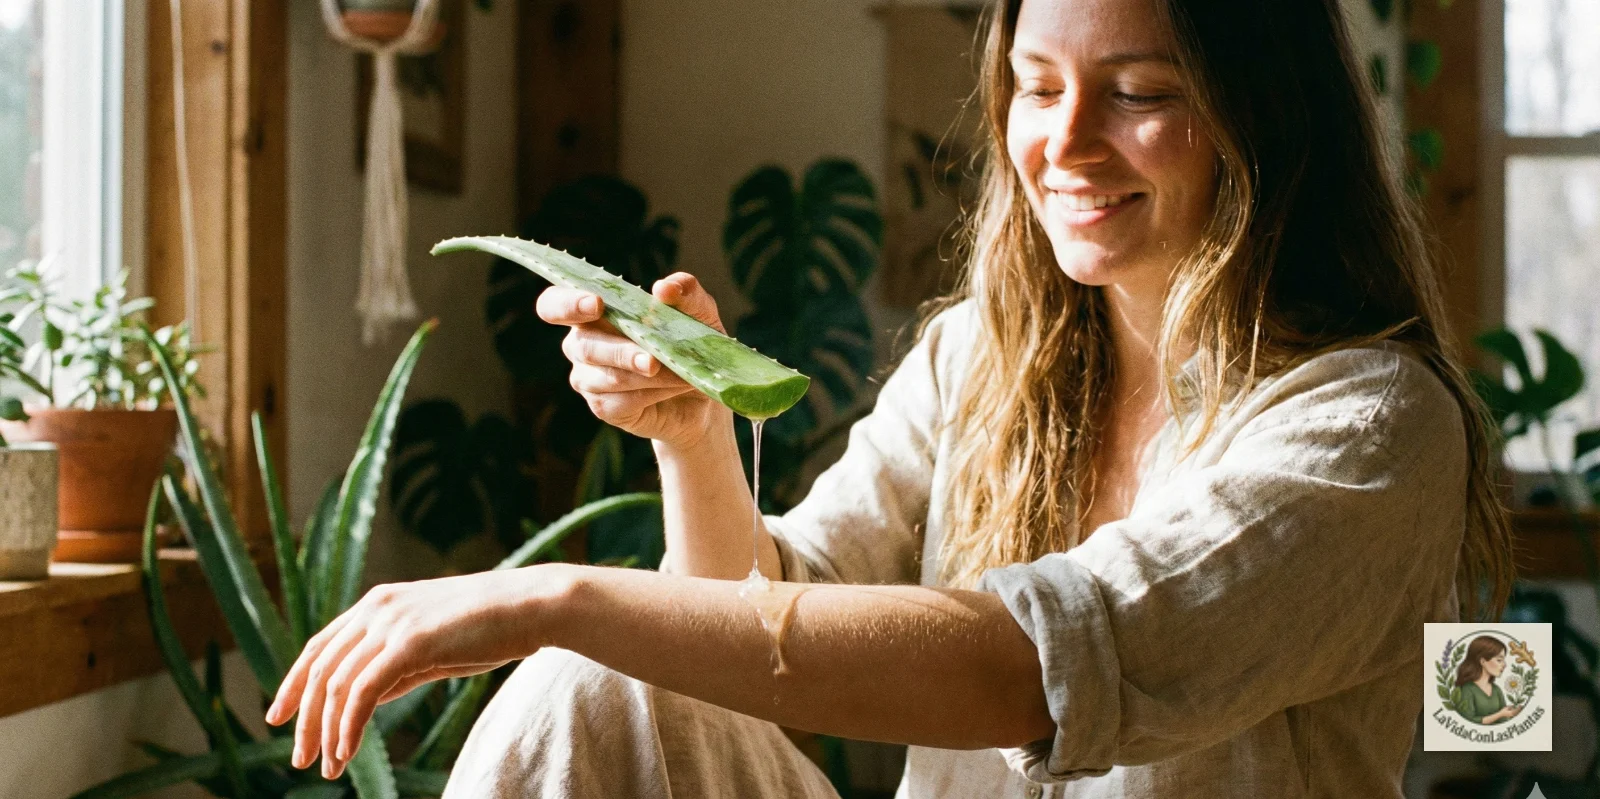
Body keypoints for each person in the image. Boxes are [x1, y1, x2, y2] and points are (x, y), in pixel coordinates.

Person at [263, 0, 1517, 795]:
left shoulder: (1367, 426)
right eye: (1035, 83)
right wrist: (693, 438)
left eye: (1138, 93)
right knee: (594, 685)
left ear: (1264, 117)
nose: (1065, 143)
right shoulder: (984, 354)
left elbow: (1035, 667)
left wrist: (551, 594)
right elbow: (758, 624)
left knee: (585, 641)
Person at [1452, 636, 1524, 726]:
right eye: (1499, 660)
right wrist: (1500, 714)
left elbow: (1503, 721)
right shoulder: (1467, 689)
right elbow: (1467, 721)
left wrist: (1512, 714)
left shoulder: (1496, 689)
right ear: (1482, 661)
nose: (1504, 665)